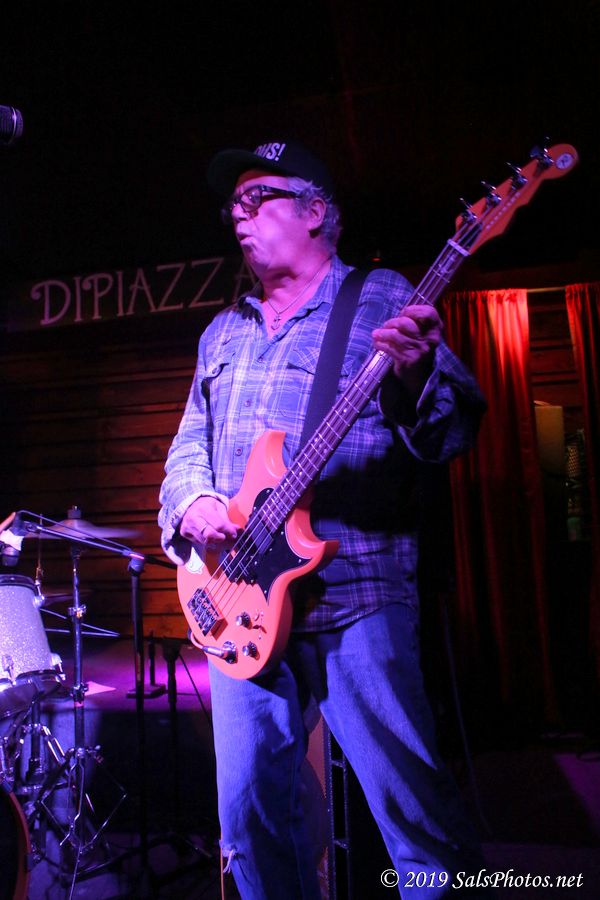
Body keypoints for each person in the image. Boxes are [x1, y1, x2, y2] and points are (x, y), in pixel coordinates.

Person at [158, 139, 488, 899]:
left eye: (258, 198)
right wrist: (195, 501)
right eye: (232, 205)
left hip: (355, 591)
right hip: (239, 601)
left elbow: (451, 431)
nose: (238, 215)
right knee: (249, 821)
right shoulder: (223, 331)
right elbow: (187, 447)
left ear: (316, 212)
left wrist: (416, 372)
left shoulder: (380, 296)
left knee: (413, 813)